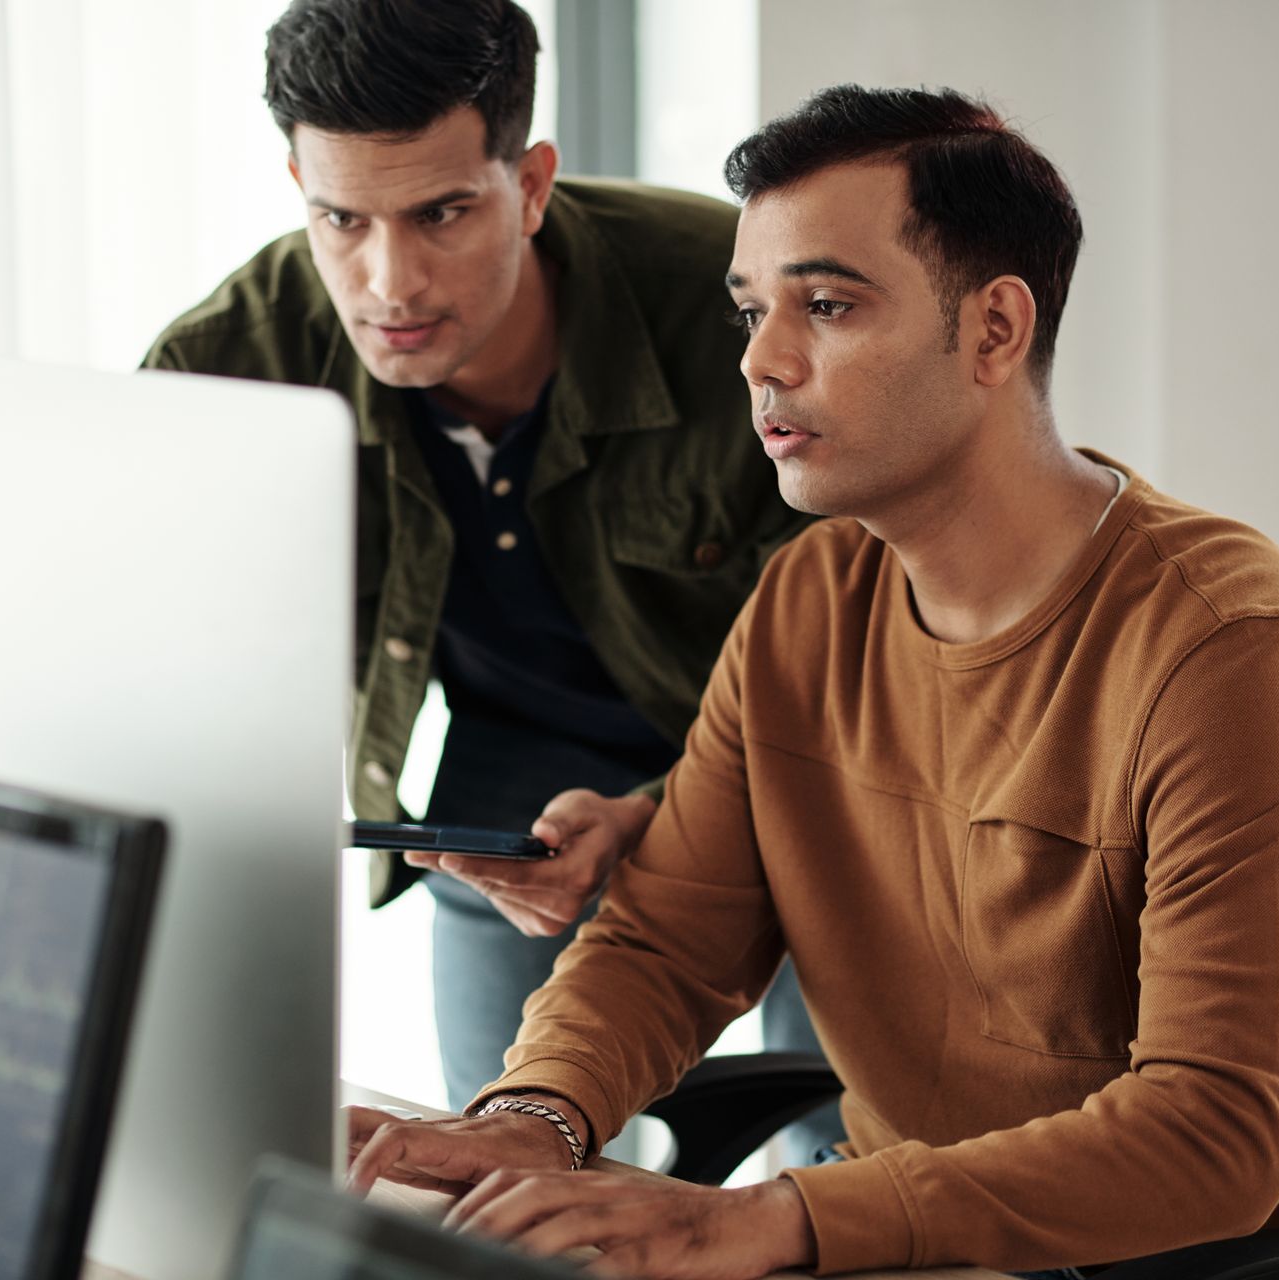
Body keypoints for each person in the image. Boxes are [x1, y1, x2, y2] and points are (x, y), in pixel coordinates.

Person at [346, 85, 1279, 1279]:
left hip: (1157, 1262)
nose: (762, 360)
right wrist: (531, 1117)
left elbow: (1215, 1138)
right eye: (751, 311)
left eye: (828, 305)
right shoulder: (809, 599)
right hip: (900, 1242)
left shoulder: (1230, 650)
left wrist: (754, 1217)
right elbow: (667, 937)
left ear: (996, 329)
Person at [140, 0, 828, 1135]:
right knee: (505, 1156)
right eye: (341, 219)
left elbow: (873, 654)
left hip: (804, 762)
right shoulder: (231, 363)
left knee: (843, 1155)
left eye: (442, 212)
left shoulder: (736, 313)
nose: (389, 282)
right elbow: (152, 653)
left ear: (534, 183)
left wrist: (665, 813)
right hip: (516, 787)